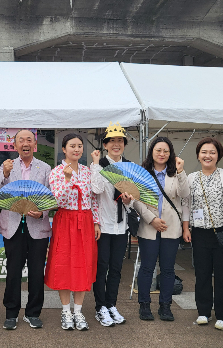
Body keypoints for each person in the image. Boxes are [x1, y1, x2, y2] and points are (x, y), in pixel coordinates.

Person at [182, 137, 223, 331]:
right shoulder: (191, 177)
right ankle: (203, 312)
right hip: (200, 233)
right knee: (202, 274)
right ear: (198, 155)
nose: (208, 155)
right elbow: (186, 204)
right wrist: (185, 227)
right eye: (204, 152)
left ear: (218, 156)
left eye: (212, 152)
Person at [0, 130, 52, 330]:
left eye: (29, 140)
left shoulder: (45, 168)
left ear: (34, 144)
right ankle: (11, 312)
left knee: (37, 272)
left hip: (37, 227)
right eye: (21, 140)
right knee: (13, 271)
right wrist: (4, 174)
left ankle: (33, 312)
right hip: (13, 226)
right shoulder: (7, 166)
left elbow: (50, 197)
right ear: (15, 144)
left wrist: (42, 212)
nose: (25, 143)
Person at [45, 133, 100, 331]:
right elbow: (56, 201)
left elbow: (94, 197)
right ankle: (66, 311)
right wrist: (67, 180)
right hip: (65, 220)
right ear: (64, 149)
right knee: (63, 264)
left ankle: (78, 311)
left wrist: (96, 222)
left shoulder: (87, 171)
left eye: (79, 146)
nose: (76, 149)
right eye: (72, 146)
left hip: (85, 221)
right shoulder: (57, 171)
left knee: (83, 264)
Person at [132, 137, 189, 322]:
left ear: (170, 153)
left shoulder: (176, 173)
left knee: (167, 269)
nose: (162, 154)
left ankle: (165, 306)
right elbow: (135, 199)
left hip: (171, 229)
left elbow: (185, 194)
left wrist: (180, 172)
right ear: (152, 152)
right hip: (149, 227)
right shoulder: (143, 173)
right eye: (158, 150)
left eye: (165, 151)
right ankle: (144, 305)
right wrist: (151, 219)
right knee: (147, 268)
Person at [90, 122, 134, 327]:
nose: (116, 145)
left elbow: (134, 196)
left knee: (117, 268)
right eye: (112, 141)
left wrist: (128, 200)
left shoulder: (129, 166)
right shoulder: (100, 164)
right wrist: (96, 165)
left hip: (121, 225)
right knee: (101, 267)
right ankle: (100, 307)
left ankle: (111, 304)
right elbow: (96, 190)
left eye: (120, 141)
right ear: (105, 144)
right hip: (103, 224)